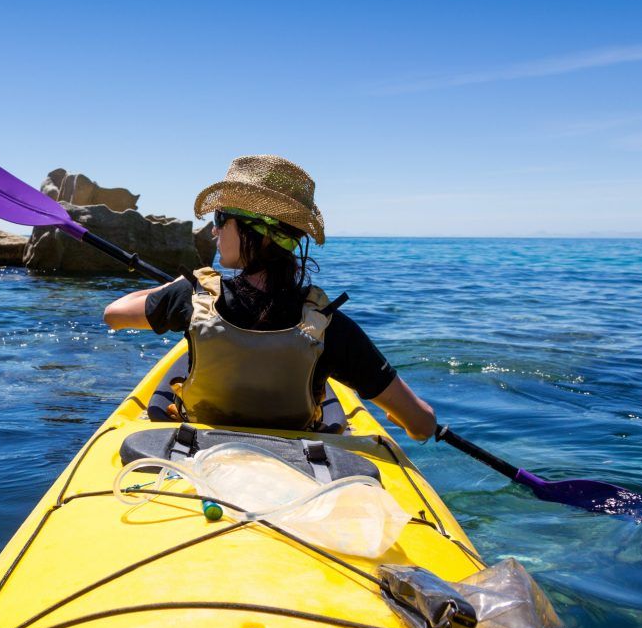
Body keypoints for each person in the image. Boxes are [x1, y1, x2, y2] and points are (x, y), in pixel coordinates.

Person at [103, 154, 436, 440]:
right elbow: (420, 422)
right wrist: (416, 423)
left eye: (221, 219)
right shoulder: (330, 327)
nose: (215, 230)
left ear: (253, 232)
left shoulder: (190, 299)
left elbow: (114, 314)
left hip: (199, 448)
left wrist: (176, 285)